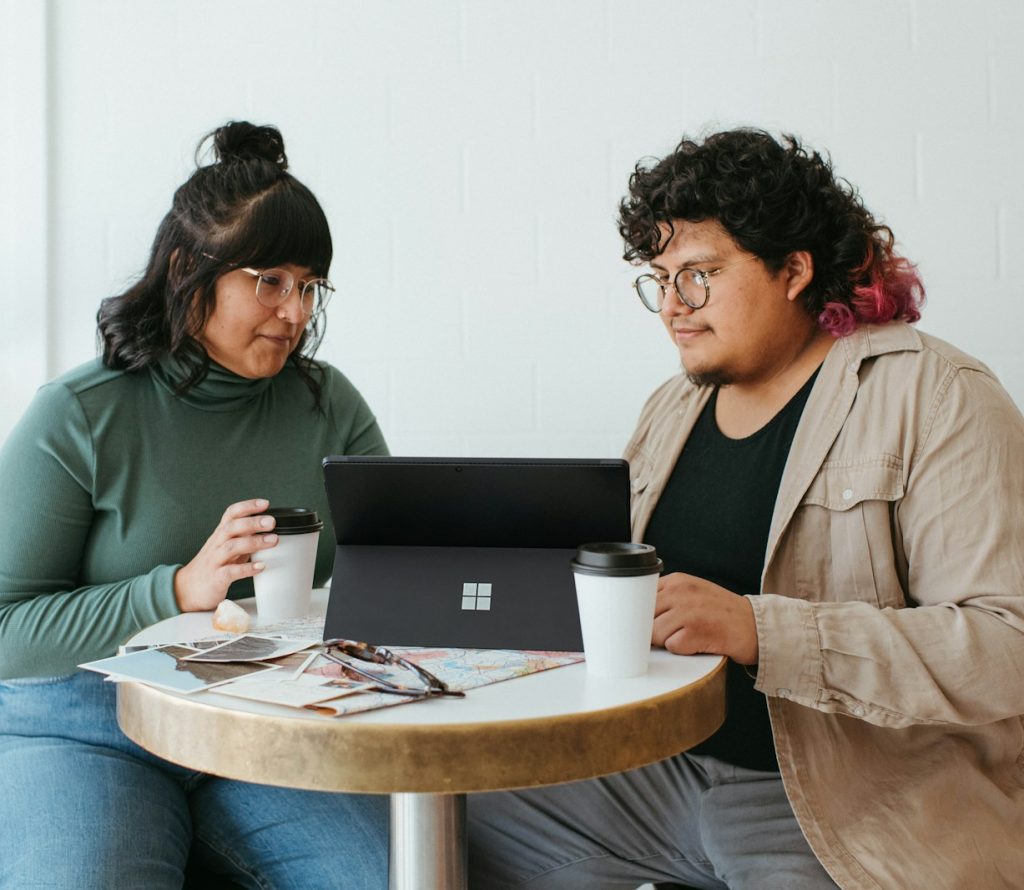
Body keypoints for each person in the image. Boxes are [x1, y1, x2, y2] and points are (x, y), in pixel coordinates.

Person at [468, 129, 1024, 889]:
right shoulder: (670, 410)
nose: (672, 307)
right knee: (448, 814)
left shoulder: (936, 395)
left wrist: (760, 628)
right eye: (659, 279)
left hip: (848, 799)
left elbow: (1007, 647)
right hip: (656, 775)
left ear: (794, 268)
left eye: (699, 274)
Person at [0, 122, 390, 889]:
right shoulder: (80, 414)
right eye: (270, 280)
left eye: (310, 285)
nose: (297, 311)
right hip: (84, 730)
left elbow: (391, 567)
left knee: (383, 875)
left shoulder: (328, 404)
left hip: (265, 724)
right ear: (189, 270)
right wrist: (177, 591)